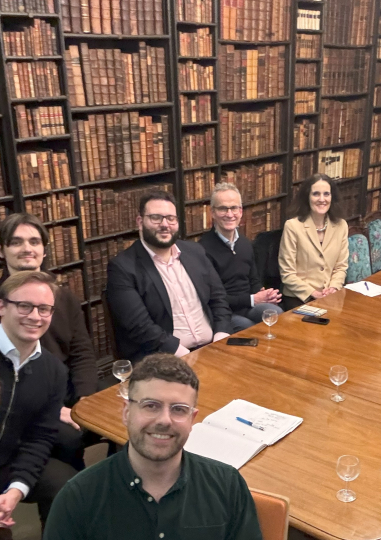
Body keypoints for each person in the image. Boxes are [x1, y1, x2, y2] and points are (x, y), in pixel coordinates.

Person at [43, 353, 263, 540]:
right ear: (126, 413)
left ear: (192, 419)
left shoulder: (228, 486)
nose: (164, 420)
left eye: (178, 409)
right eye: (151, 406)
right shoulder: (77, 498)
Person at [0, 213, 98, 471]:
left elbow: (82, 353)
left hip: (65, 390)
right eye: (16, 242)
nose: (27, 249)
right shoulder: (2, 303)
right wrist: (54, 409)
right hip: (20, 402)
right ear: (2, 250)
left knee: (120, 413)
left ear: (44, 251)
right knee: (69, 439)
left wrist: (85, 400)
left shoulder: (64, 298)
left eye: (34, 241)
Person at [106, 191, 233, 362]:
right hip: (162, 357)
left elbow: (219, 299)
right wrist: (186, 356)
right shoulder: (122, 268)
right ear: (140, 222)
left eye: (171, 218)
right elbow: (140, 327)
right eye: (156, 218)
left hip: (212, 347)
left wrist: (221, 337)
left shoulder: (195, 252)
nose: (165, 224)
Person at [0, 271, 74, 534]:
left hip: (10, 459)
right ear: (2, 306)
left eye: (44, 309)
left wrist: (16, 490)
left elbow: (39, 438)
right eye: (24, 306)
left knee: (67, 487)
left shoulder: (53, 371)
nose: (35, 316)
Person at [199, 183, 283, 331]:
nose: (229, 214)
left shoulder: (245, 243)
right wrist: (253, 299)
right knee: (248, 328)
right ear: (212, 212)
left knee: (276, 314)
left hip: (248, 306)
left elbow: (254, 279)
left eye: (234, 208)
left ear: (241, 211)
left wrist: (264, 294)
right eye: (223, 208)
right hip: (223, 313)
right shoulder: (203, 249)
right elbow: (213, 297)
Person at [278, 173, 349, 311]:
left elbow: (341, 267)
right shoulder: (293, 226)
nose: (322, 199)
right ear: (307, 197)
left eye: (326, 194)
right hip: (299, 298)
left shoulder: (341, 226)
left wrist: (333, 288)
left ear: (332, 197)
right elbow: (287, 273)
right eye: (316, 194)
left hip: (330, 296)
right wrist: (314, 293)